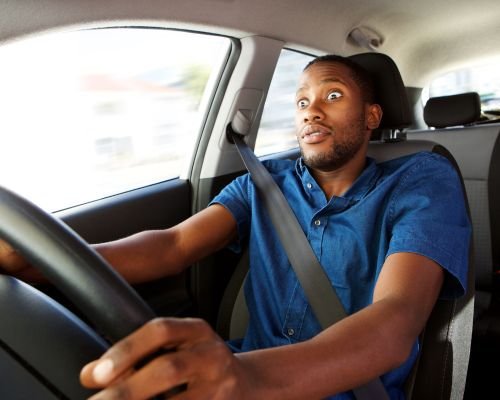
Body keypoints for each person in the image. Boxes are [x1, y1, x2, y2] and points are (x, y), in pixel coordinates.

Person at [0, 55, 471, 400]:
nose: (312, 110)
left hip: (342, 389)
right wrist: (32, 261)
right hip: (237, 368)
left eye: (332, 95)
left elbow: (395, 318)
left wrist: (249, 379)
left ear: (372, 116)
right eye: (302, 100)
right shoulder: (264, 183)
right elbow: (172, 245)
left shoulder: (422, 179)